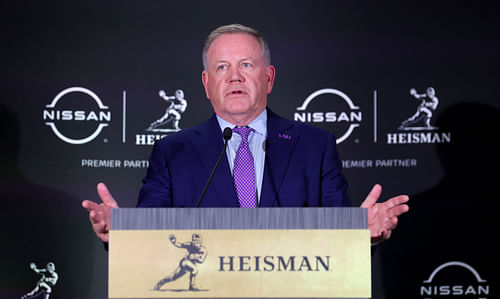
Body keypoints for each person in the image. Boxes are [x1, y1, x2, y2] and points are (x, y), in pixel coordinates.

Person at [82, 24, 409, 245]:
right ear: (206, 84)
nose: (234, 77)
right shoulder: (172, 152)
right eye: (222, 67)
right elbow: (149, 242)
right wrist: (124, 236)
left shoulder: (314, 146)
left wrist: (361, 236)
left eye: (247, 66)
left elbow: (339, 244)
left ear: (268, 78)